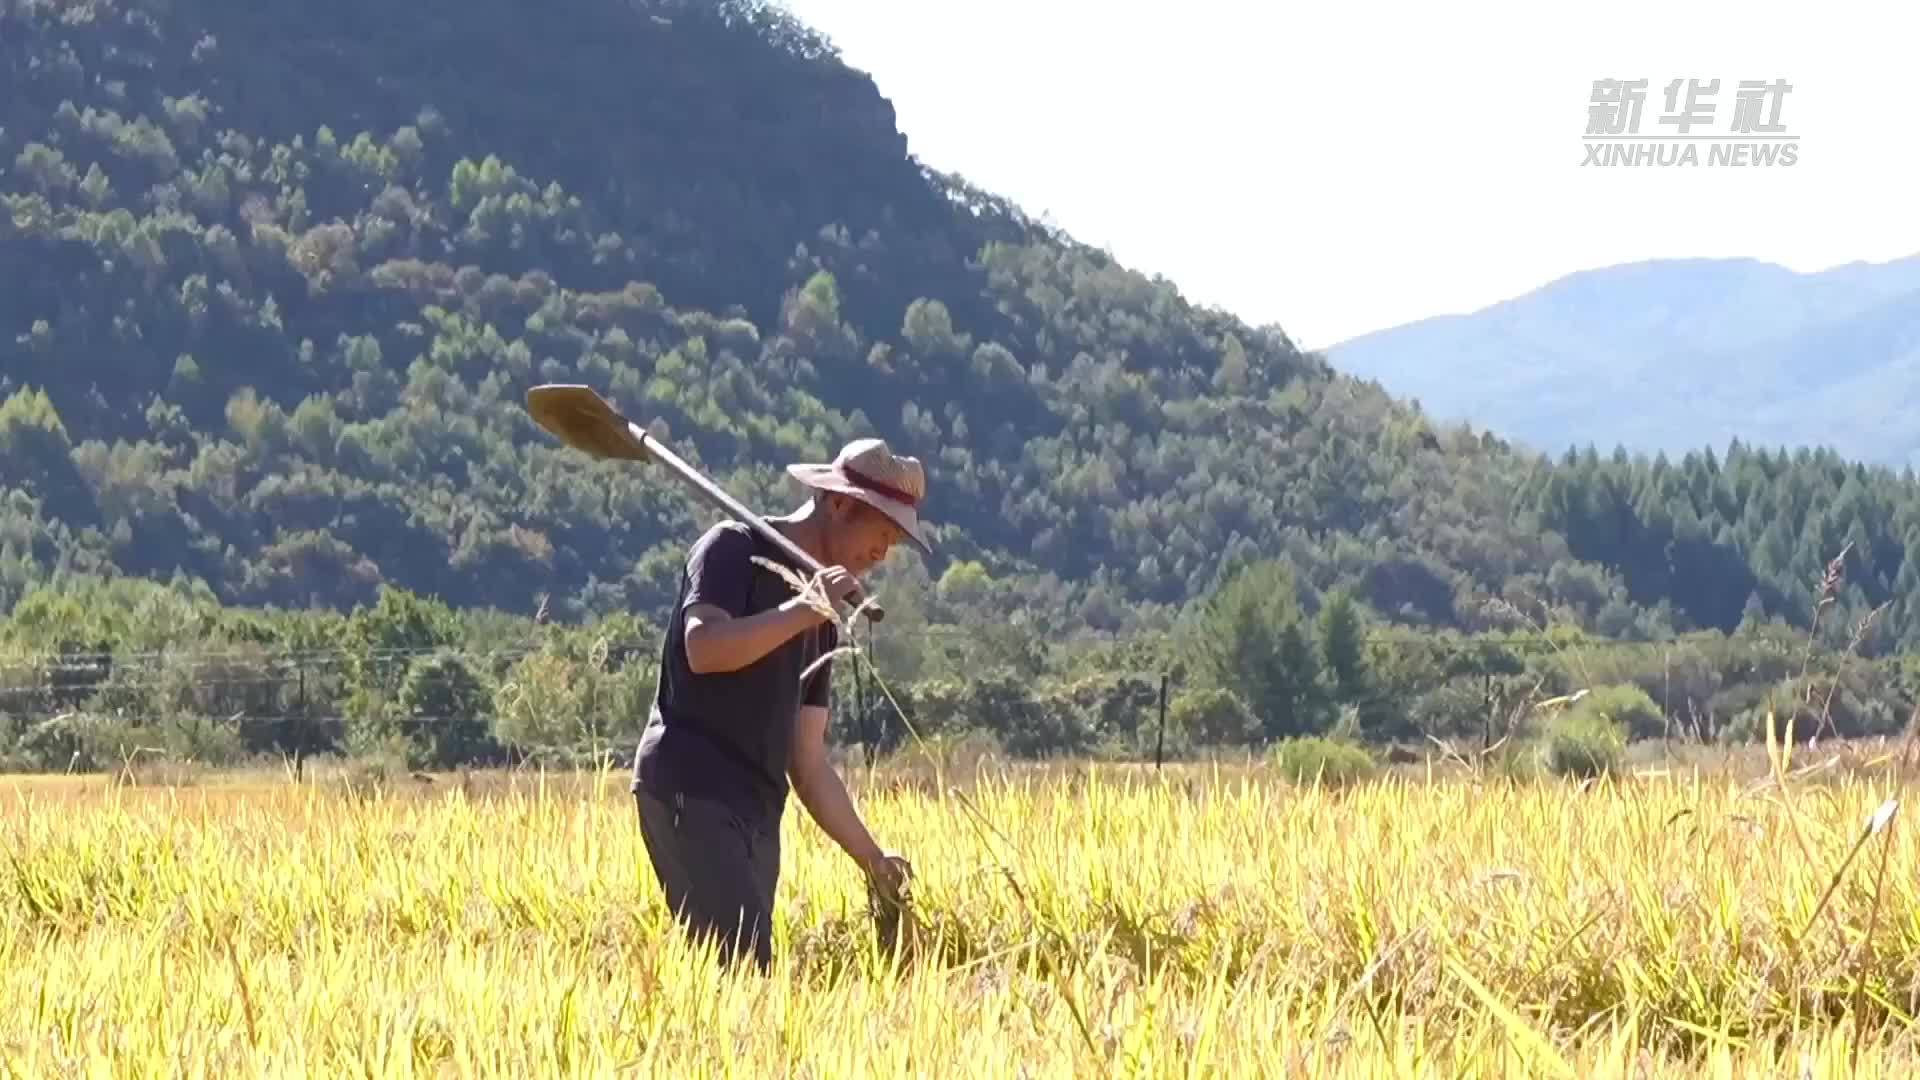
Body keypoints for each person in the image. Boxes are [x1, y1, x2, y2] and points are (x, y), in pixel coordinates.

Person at [630, 436, 933, 972]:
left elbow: (807, 762)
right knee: (744, 972)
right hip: (691, 788)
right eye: (881, 532)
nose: (883, 553)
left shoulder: (822, 619)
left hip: (758, 810)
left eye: (894, 541)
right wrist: (803, 609)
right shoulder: (732, 550)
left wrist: (872, 859)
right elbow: (705, 649)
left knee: (744, 975)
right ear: (837, 504)